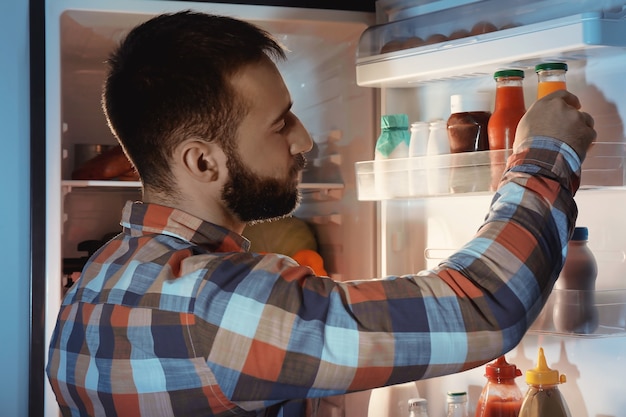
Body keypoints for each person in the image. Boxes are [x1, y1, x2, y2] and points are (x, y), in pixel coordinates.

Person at [46, 10, 596, 417]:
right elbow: (484, 308)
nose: (304, 139)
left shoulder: (98, 278)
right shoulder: (214, 305)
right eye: (280, 123)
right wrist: (546, 156)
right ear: (202, 161)